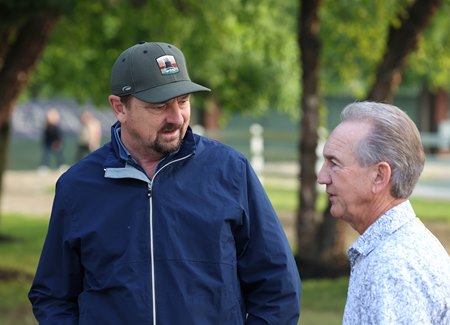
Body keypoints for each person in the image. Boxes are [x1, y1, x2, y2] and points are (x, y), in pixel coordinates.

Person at [28, 41, 301, 324]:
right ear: (119, 107)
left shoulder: (231, 171)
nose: (177, 117)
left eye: (183, 101)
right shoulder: (78, 186)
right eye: (159, 106)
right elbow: (53, 296)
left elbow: (278, 287)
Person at [317, 101, 450, 324]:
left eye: (334, 163)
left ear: (379, 176)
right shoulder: (397, 248)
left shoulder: (392, 268)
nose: (322, 177)